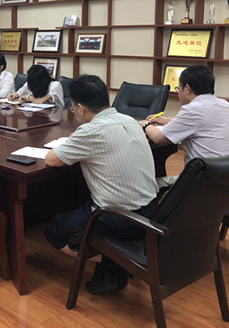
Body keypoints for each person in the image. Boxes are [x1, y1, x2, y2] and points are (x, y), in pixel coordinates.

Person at [44, 75, 158, 294]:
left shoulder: (90, 131)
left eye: (73, 108)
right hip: (151, 212)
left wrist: (75, 140)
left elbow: (51, 159)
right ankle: (116, 259)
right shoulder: (130, 120)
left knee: (54, 230)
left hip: (119, 218)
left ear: (80, 108)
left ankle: (115, 262)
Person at [140, 65, 229, 187]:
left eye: (178, 88)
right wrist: (165, 120)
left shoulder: (192, 110)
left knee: (148, 185)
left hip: (205, 182)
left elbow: (157, 137)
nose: (178, 92)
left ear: (187, 88)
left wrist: (144, 124)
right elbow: (201, 123)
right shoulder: (224, 104)